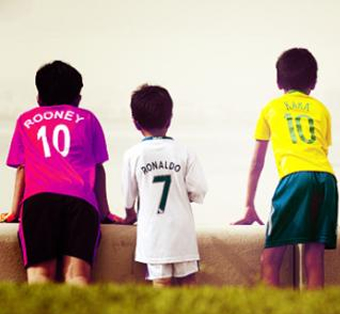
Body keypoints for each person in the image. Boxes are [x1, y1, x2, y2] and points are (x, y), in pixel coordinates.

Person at [233, 48, 338, 289]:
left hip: (295, 179)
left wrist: (249, 205)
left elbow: (257, 163)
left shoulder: (271, 109)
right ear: (314, 81)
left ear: (279, 81)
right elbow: (321, 152)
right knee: (314, 258)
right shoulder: (321, 110)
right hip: (326, 179)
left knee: (270, 259)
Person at [3, 60, 113, 285]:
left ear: (39, 98)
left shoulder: (26, 120)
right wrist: (104, 213)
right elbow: (98, 168)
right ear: (78, 99)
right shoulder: (87, 119)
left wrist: (14, 212)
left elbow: (22, 169)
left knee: (40, 276)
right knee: (78, 276)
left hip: (39, 201)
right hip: (81, 203)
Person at [122, 84, 207, 287]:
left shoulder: (133, 155)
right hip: (182, 231)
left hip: (153, 233)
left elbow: (128, 196)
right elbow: (199, 190)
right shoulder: (185, 152)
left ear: (135, 123)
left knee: (160, 281)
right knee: (189, 282)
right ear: (170, 119)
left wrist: (129, 214)